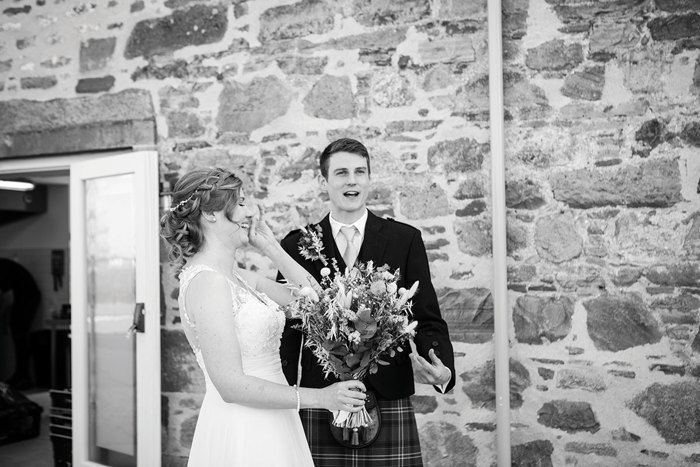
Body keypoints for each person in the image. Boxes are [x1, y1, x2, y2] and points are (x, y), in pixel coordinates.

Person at [160, 167, 367, 467]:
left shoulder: (238, 277)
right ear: (210, 213)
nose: (251, 211)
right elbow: (230, 386)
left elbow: (318, 300)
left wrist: (271, 248)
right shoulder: (208, 283)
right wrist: (321, 399)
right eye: (241, 202)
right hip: (244, 428)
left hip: (277, 421)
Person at [278, 138, 456, 466]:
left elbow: (427, 317)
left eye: (360, 171)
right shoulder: (297, 246)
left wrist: (442, 368)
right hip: (322, 401)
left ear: (369, 178)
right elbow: (287, 330)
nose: (352, 180)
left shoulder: (405, 240)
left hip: (387, 400)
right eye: (342, 172)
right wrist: (285, 398)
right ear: (324, 181)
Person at [0, 258, 41, 390]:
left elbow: (8, 299)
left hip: (27, 298)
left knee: (19, 335)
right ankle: (21, 375)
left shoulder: (2, 269)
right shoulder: (4, 266)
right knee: (19, 335)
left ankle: (23, 377)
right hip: (24, 297)